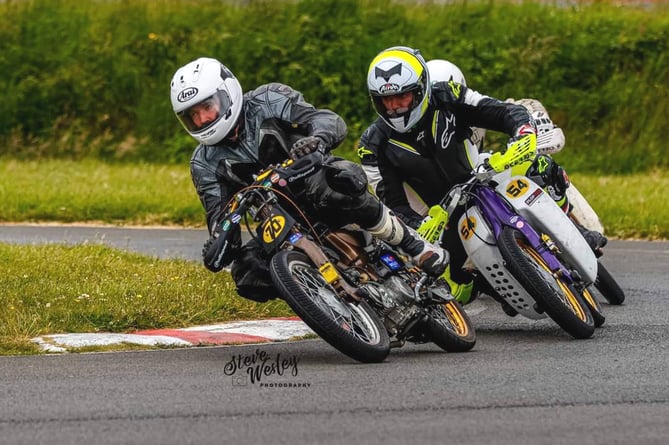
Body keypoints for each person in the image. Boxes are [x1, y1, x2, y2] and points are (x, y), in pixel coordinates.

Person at [170, 57, 448, 302]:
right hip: (278, 222)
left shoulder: (269, 99)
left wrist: (317, 139)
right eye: (193, 115)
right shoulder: (203, 163)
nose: (203, 118)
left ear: (226, 93)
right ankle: (323, 301)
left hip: (316, 179)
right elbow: (219, 217)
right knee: (248, 273)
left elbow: (327, 119)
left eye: (207, 106)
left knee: (338, 183)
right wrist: (220, 242)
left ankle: (413, 244)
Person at [359, 49, 606, 307]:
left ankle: (576, 231)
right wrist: (419, 225)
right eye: (386, 100)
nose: (395, 106)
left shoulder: (448, 94)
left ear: (421, 89)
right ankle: (491, 284)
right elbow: (392, 204)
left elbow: (501, 111)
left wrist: (522, 132)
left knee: (541, 166)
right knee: (454, 288)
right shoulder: (372, 146)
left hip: (481, 176)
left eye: (402, 96)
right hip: (441, 215)